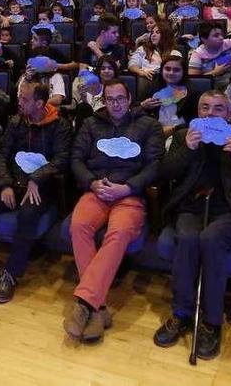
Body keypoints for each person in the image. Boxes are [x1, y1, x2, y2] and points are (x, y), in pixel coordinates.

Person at [153, 90, 231, 359]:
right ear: (198, 112)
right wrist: (188, 152)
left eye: (218, 109)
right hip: (191, 207)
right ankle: (182, 313)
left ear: (228, 115)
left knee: (211, 239)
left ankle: (212, 321)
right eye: (204, 108)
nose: (210, 114)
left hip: (228, 212)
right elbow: (164, 172)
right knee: (188, 237)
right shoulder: (184, 137)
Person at [63, 79, 163, 343]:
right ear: (104, 100)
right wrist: (92, 183)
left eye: (120, 98)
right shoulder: (91, 124)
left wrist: (127, 188)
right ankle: (98, 308)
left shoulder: (148, 126)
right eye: (110, 99)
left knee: (118, 233)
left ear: (129, 99)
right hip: (97, 189)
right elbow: (76, 159)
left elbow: (154, 166)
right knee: (78, 226)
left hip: (128, 194)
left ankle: (85, 303)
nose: (115, 104)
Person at [0, 82, 71, 303]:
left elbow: (61, 159)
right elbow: (3, 156)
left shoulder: (59, 125)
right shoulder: (15, 122)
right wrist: (5, 184)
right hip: (14, 182)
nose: (19, 103)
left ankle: (11, 274)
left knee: (27, 215)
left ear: (40, 103)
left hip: (42, 186)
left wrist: (36, 179)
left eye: (24, 99)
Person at [139, 55, 201, 137]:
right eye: (167, 69)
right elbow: (137, 112)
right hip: (155, 132)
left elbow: (197, 120)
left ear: (183, 72)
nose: (171, 73)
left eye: (176, 70)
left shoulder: (193, 92)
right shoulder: (153, 87)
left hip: (182, 133)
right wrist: (143, 106)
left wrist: (174, 129)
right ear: (161, 71)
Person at [129, 21, 181, 100]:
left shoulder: (175, 54)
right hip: (144, 86)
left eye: (157, 32)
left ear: (165, 35)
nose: (153, 35)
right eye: (152, 33)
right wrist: (141, 72)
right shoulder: (143, 49)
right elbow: (132, 64)